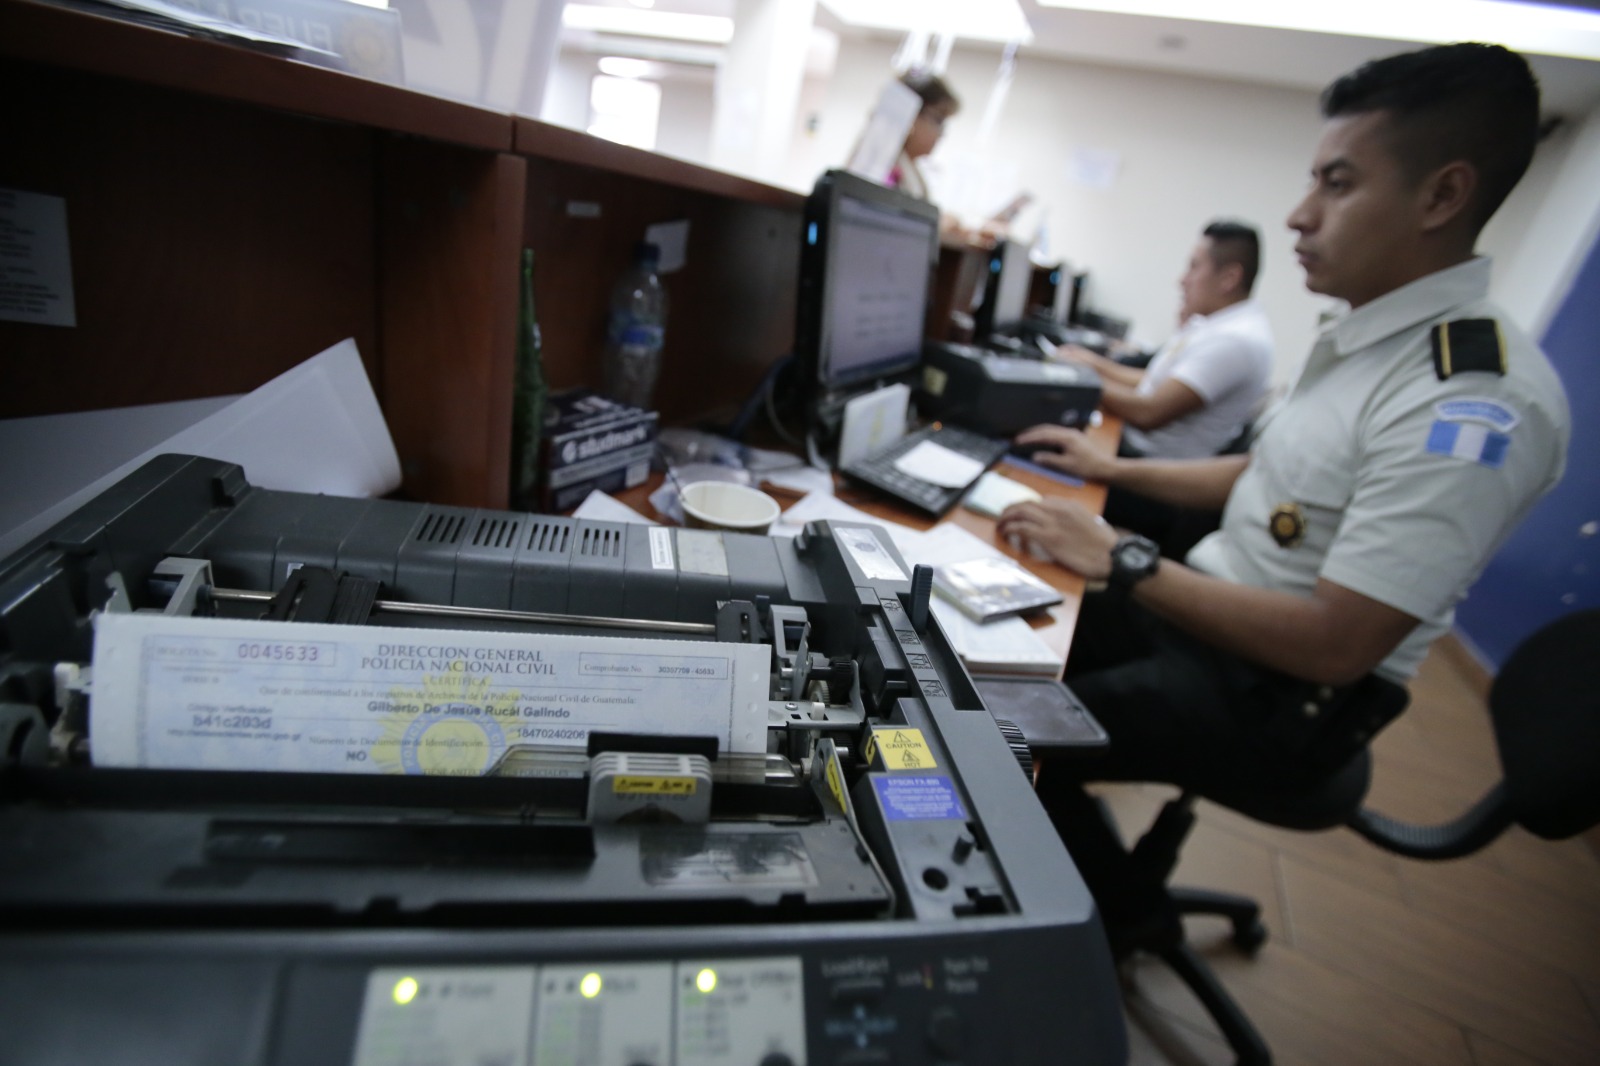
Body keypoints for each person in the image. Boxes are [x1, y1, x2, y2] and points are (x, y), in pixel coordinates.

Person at [995, 42, 1569, 923]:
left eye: (1338, 184)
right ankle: (1091, 880)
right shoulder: (1367, 338)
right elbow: (1271, 474)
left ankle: (1102, 924)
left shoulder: (1473, 399)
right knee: (998, 627)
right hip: (1207, 621)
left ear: (1442, 196)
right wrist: (1109, 473)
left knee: (994, 736)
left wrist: (1127, 558)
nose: (1300, 215)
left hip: (1276, 699)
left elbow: (1337, 644)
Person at [1039, 221, 1273, 462]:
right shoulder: (1220, 326)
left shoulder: (1234, 340)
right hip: (1131, 446)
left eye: (1194, 267)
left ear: (1229, 278)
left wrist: (1076, 377)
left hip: (1141, 461)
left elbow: (1148, 413)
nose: (1183, 280)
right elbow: (1155, 381)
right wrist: (1094, 365)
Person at [888, 70, 959, 204]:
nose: (941, 134)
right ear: (911, 115)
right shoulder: (887, 171)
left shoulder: (911, 171)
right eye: (938, 121)